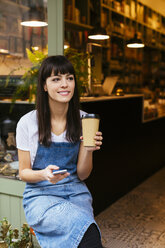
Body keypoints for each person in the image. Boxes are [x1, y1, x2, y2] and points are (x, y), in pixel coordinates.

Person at [16, 55, 103, 248]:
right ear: (44, 86)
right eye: (56, 79)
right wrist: (43, 174)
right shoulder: (28, 123)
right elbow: (23, 172)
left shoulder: (84, 120)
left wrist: (88, 149)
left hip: (76, 193)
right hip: (40, 195)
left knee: (86, 234)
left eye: (69, 78)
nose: (65, 84)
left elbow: (82, 174)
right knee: (88, 234)